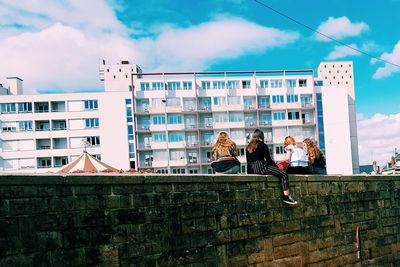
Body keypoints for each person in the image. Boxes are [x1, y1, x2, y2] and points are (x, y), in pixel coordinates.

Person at [246, 129, 298, 205]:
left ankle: (287, 197)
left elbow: (249, 160)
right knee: (283, 174)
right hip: (260, 167)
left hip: (250, 169)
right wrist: (277, 168)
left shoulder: (248, 146)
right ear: (262, 136)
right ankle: (286, 197)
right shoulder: (262, 145)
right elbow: (269, 160)